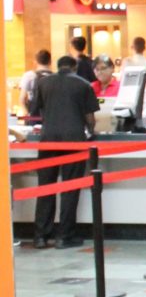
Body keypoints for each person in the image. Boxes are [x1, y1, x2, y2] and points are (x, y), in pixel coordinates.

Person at [32, 56, 100, 249]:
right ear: (74, 67)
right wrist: (91, 131)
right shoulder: (83, 84)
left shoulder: (43, 83)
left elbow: (36, 109)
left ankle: (40, 236)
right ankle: (64, 236)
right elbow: (90, 119)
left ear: (57, 66)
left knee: (45, 187)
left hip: (47, 139)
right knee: (70, 187)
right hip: (73, 139)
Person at [122, 37, 146, 113]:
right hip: (144, 100)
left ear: (132, 47)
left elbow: (122, 81)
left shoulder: (127, 62)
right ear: (144, 48)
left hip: (128, 101)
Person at [18, 49, 53, 117]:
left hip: (34, 115)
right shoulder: (55, 77)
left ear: (35, 61)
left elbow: (22, 99)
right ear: (50, 62)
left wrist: (27, 114)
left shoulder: (29, 75)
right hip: (50, 116)